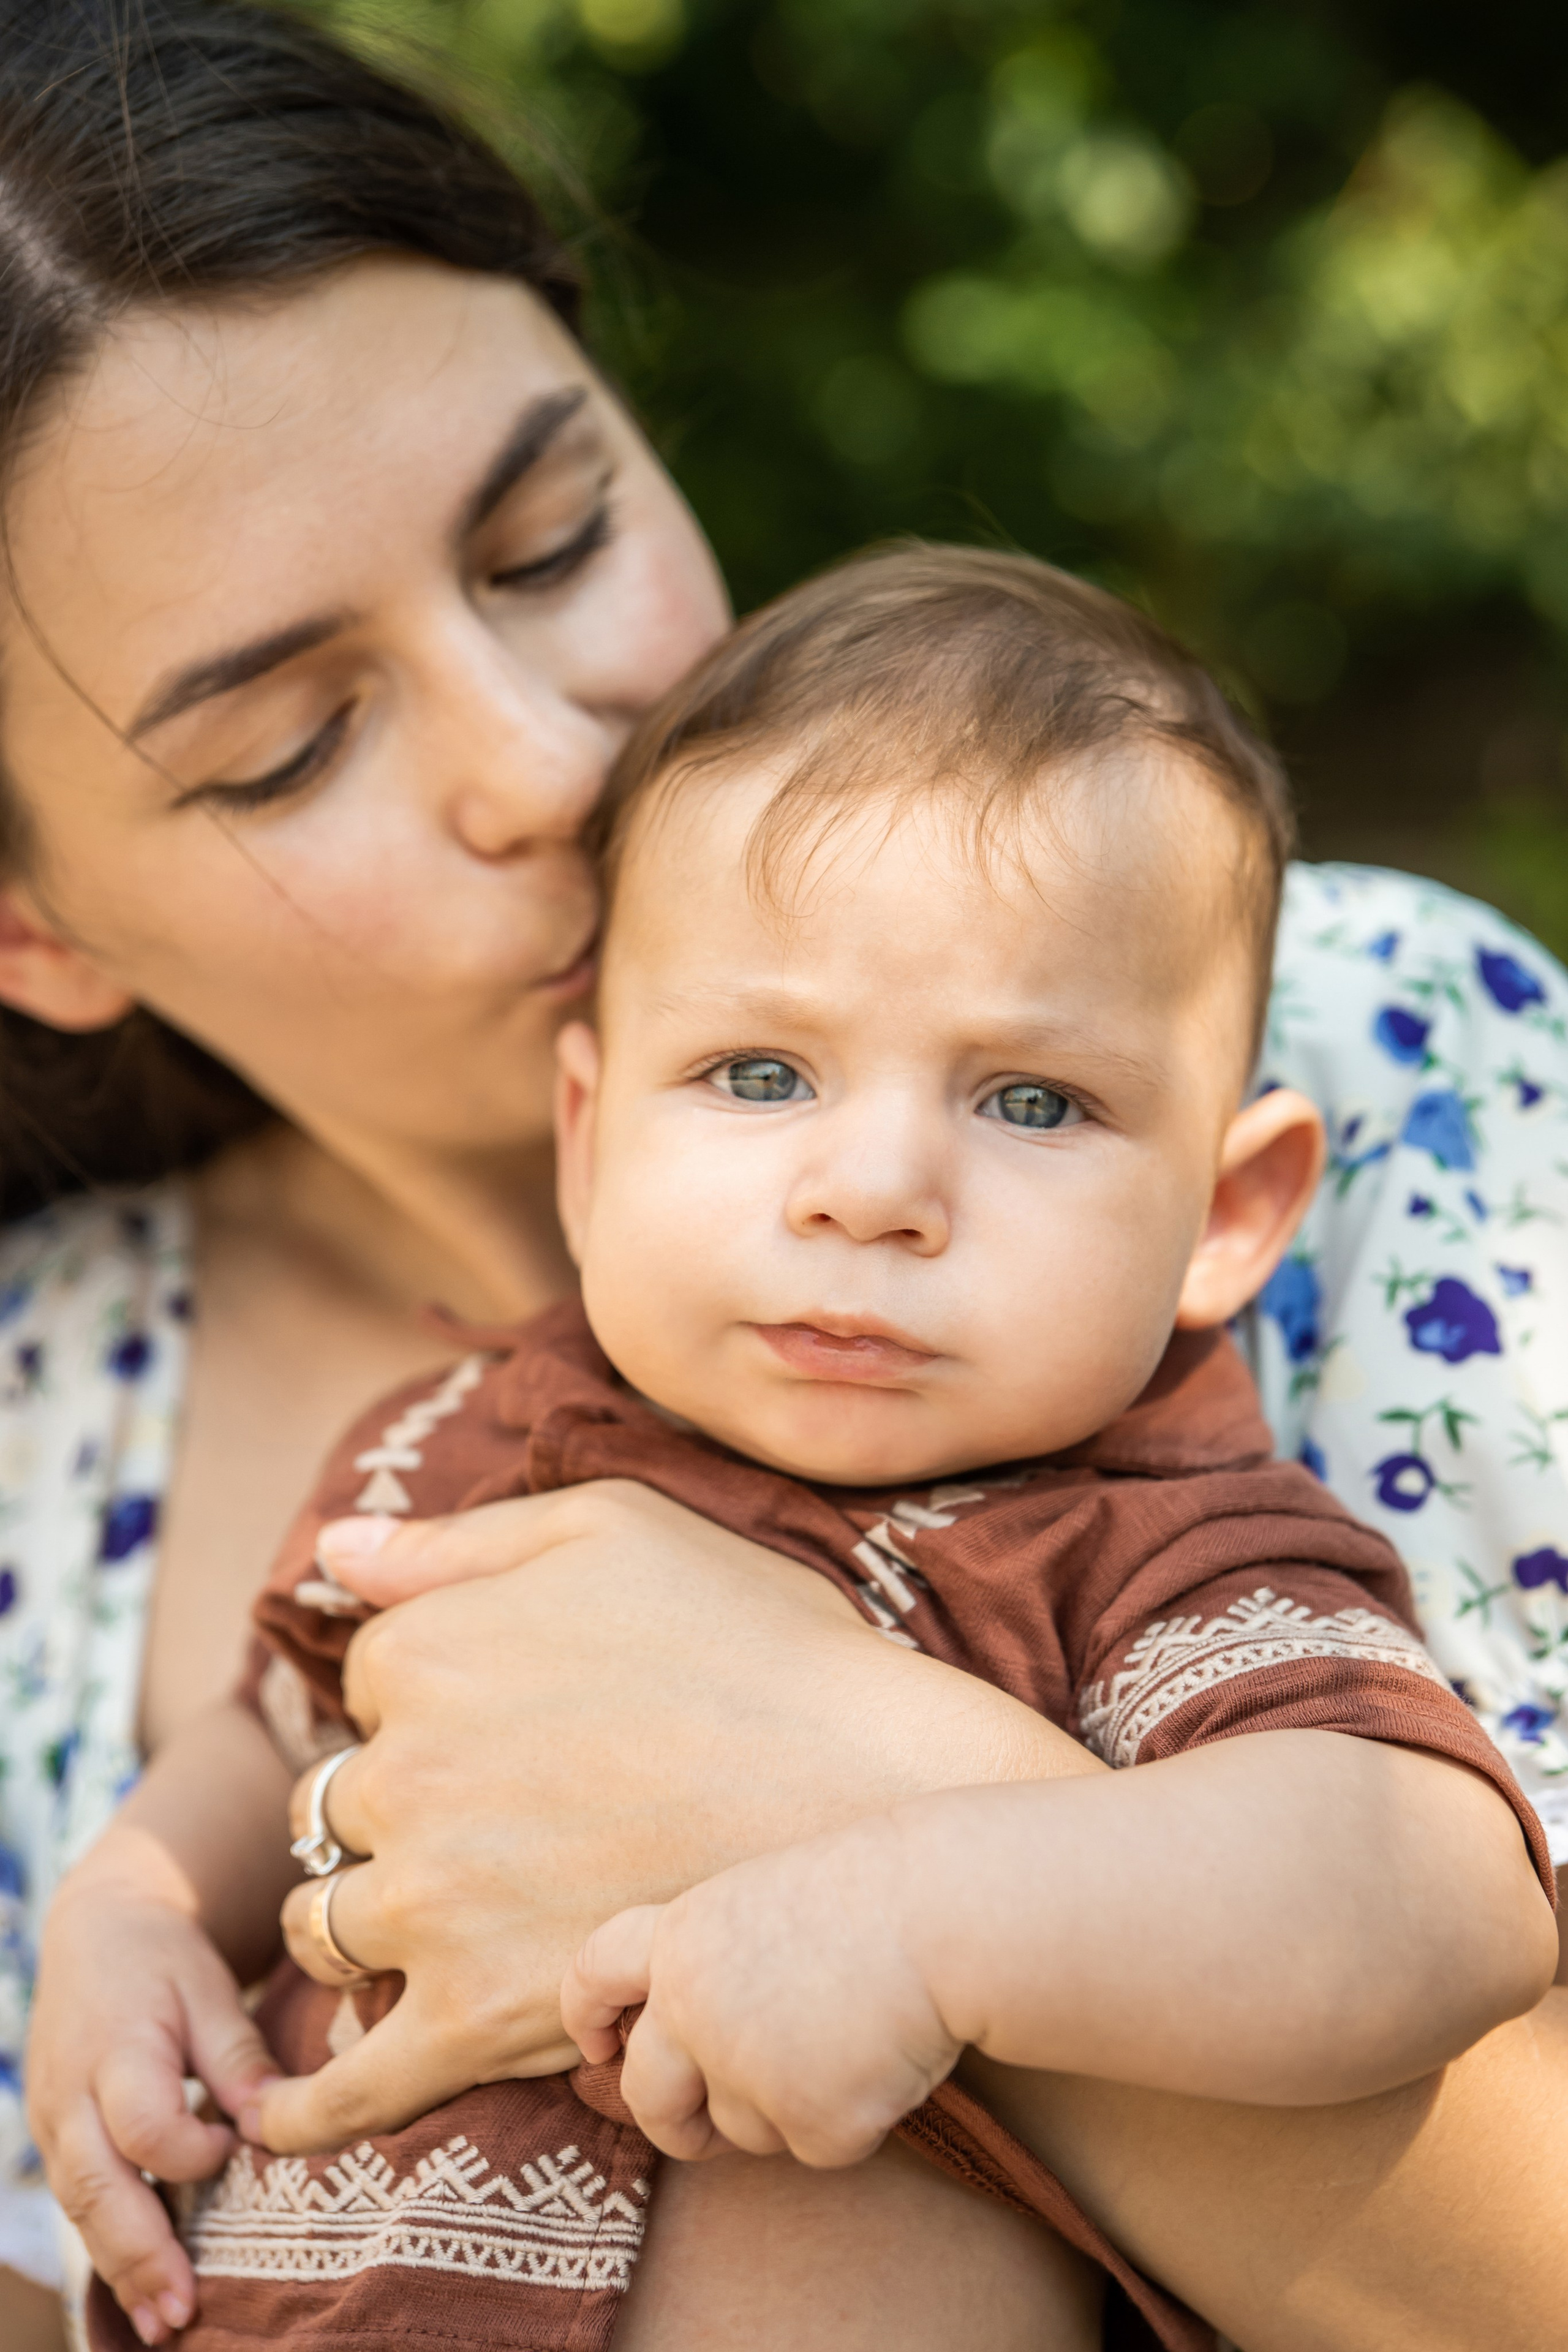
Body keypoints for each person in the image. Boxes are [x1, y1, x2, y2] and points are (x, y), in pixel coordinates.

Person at [0, 4, 1563, 2348]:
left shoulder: (1336, 1089)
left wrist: (842, 1800)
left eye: (556, 536)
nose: (550, 760)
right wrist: (130, 1923)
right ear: (34, 920)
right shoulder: (85, 1433)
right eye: (296, 741)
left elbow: (1427, 1924)